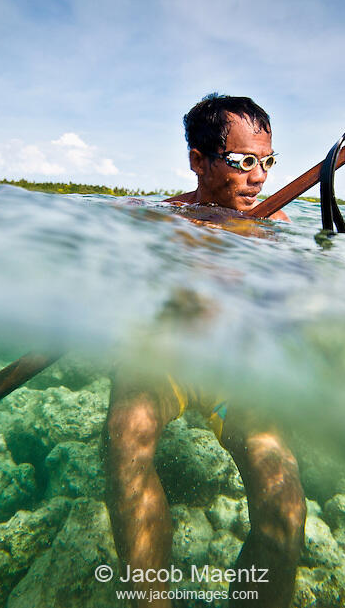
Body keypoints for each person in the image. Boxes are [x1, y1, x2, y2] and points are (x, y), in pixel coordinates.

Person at [103, 94, 306, 608]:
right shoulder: (163, 217)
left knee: (286, 507)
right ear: (198, 160)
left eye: (267, 161)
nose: (259, 177)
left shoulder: (275, 230)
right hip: (161, 366)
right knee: (127, 438)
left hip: (233, 378)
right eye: (242, 162)